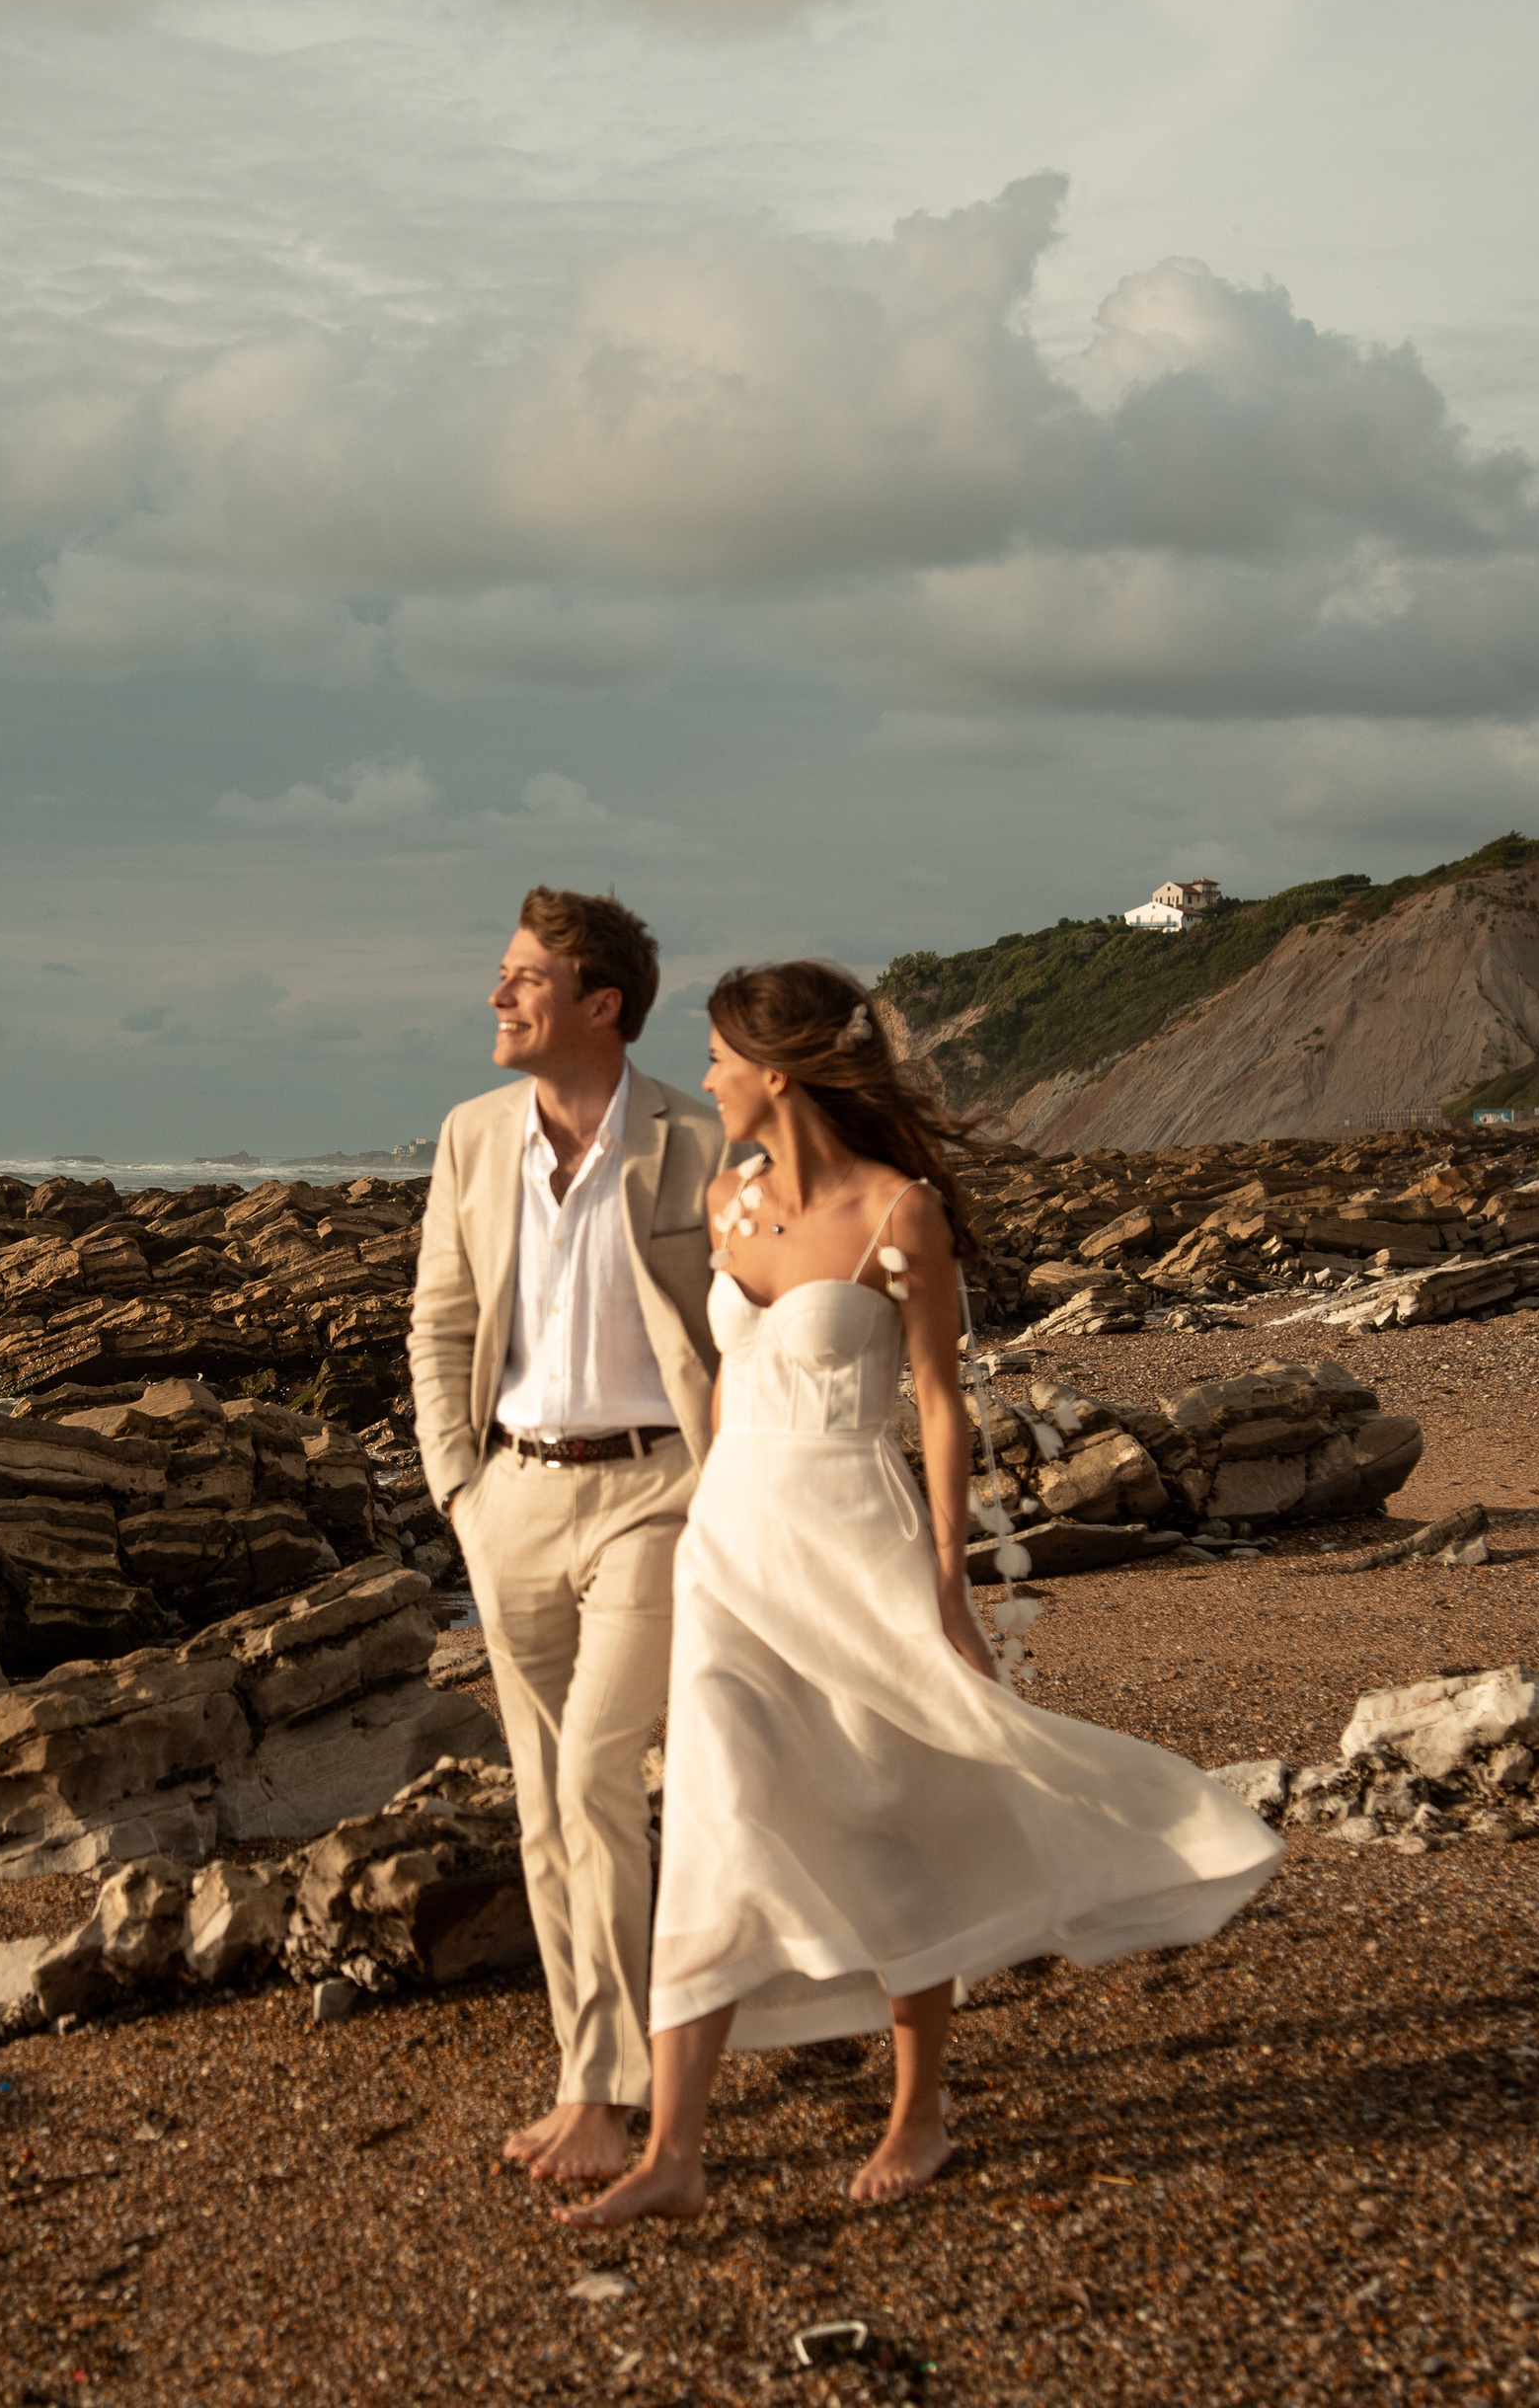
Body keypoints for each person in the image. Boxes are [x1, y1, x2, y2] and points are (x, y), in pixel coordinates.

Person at [557, 960, 1285, 2226]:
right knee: (716, 1816)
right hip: (733, 1548)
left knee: (891, 1810)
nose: (708, 1075)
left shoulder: (903, 1215)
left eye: (722, 1055)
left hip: (853, 1538)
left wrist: (947, 1588)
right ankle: (674, 2149)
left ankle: (919, 2110)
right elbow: (728, 1387)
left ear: (776, 1068)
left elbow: (941, 1409)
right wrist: (697, 1524)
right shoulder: (728, 1201)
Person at [407, 887, 725, 2188]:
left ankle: (618, 2090)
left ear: (602, 1005)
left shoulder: (696, 1136)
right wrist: (460, 1490)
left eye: (525, 977)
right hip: (514, 1499)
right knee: (545, 1803)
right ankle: (591, 2066)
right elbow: (438, 1320)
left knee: (599, 1772)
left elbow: (756, 1312)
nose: (498, 994)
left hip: (658, 1493)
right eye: (503, 972)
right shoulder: (473, 1137)